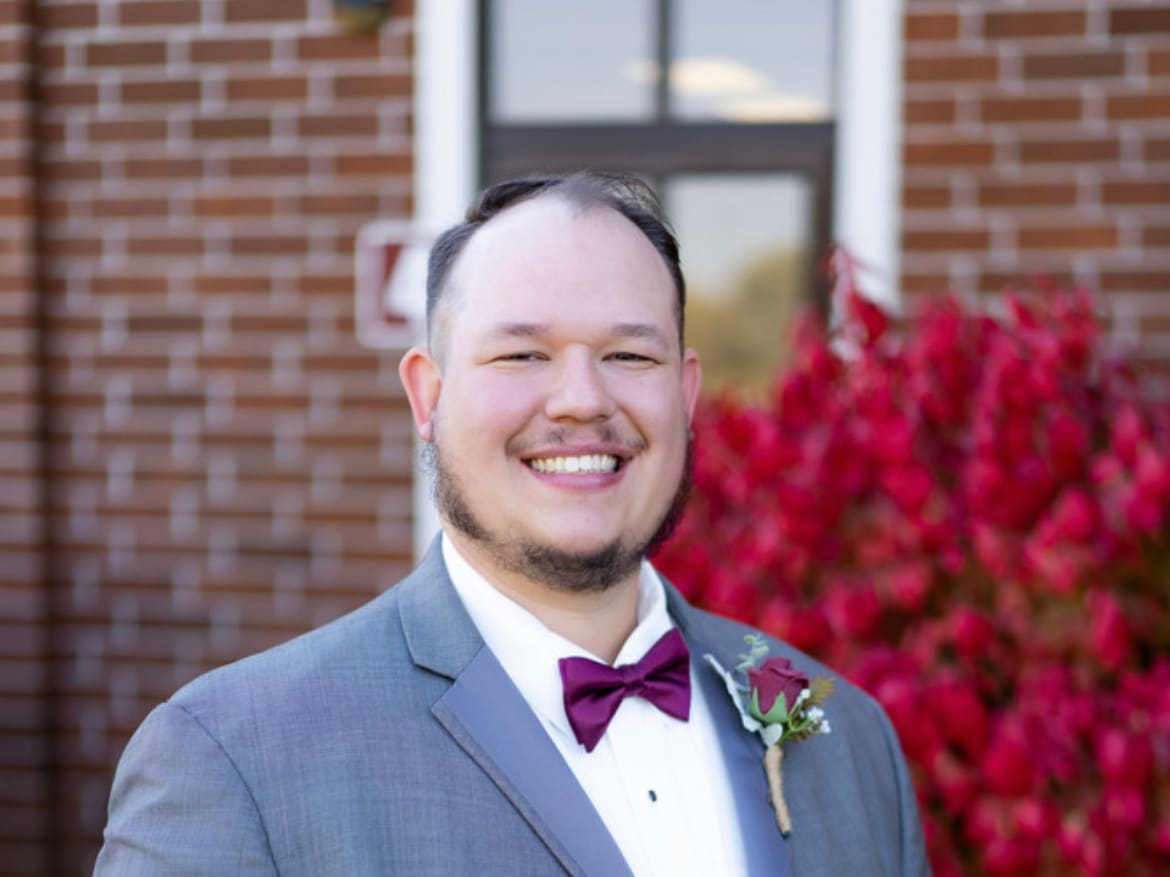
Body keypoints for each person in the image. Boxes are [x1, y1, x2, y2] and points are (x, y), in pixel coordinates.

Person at [95, 172, 929, 876]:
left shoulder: (848, 739)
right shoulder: (233, 760)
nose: (581, 399)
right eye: (522, 354)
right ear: (428, 395)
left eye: (629, 356)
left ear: (684, 394)